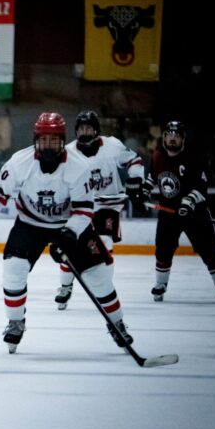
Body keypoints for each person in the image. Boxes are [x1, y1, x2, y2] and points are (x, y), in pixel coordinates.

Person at [0, 112, 133, 354]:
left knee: (99, 275)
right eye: (44, 139)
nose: (48, 144)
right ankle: (15, 322)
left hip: (68, 224)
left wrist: (69, 234)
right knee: (13, 269)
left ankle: (118, 325)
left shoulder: (78, 166)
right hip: (30, 224)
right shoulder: (19, 162)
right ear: (36, 139)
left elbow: (84, 210)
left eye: (54, 139)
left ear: (62, 140)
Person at [53, 110, 145, 309]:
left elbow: (134, 161)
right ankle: (65, 286)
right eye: (81, 128)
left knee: (105, 242)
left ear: (96, 130)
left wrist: (136, 179)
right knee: (70, 246)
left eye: (89, 127)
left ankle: (104, 288)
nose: (84, 131)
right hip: (80, 209)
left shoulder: (112, 145)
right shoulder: (67, 153)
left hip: (108, 206)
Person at [134, 120, 215, 303]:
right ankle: (160, 285)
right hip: (168, 213)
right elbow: (151, 179)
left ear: (182, 139)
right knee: (163, 249)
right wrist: (143, 194)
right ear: (164, 137)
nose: (172, 138)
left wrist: (189, 202)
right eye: (169, 134)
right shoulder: (157, 157)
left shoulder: (194, 158)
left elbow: (202, 186)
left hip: (195, 214)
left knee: (208, 250)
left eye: (176, 135)